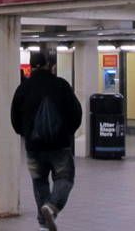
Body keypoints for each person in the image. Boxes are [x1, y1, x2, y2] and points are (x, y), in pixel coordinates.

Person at [11, 51, 82, 231]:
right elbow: (76, 113)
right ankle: (51, 206)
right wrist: (68, 133)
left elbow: (14, 117)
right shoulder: (61, 85)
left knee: (39, 181)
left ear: (31, 65)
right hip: (59, 145)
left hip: (33, 147)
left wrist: (26, 133)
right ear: (48, 65)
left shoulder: (23, 88)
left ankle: (43, 224)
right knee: (65, 177)